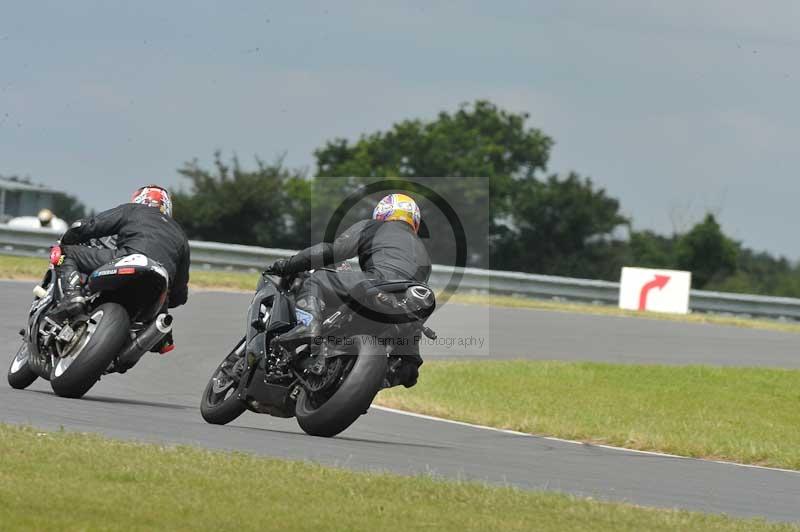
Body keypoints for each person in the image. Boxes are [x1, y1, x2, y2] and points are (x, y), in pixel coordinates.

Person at [265, 193, 432, 387]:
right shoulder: (425, 256)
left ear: (382, 212)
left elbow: (331, 251)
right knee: (408, 360)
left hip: (377, 283)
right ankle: (391, 373)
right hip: (406, 304)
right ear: (415, 221)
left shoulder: (373, 227)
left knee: (317, 280)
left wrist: (287, 265)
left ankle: (307, 325)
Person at [50, 185, 190, 353]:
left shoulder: (133, 210)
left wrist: (68, 237)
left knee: (67, 252)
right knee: (163, 307)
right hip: (157, 283)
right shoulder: (180, 234)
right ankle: (157, 340)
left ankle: (72, 296)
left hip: (127, 259)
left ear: (139, 200)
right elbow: (180, 292)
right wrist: (171, 298)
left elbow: (92, 226)